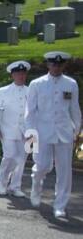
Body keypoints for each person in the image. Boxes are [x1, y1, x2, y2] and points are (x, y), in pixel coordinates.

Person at [26, 51, 81, 219]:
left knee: (65, 172)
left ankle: (60, 205)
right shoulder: (37, 84)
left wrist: (77, 131)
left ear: (64, 65)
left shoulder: (71, 83)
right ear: (48, 65)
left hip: (64, 132)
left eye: (59, 65)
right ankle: (36, 184)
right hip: (42, 132)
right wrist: (30, 137)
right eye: (53, 64)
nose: (56, 67)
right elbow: (30, 112)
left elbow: (74, 109)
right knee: (42, 166)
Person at [0, 60, 31, 197]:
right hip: (8, 128)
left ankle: (15, 186)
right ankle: (3, 183)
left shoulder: (32, 91)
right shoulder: (2, 91)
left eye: (23, 73)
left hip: (28, 130)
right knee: (9, 156)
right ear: (12, 75)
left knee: (22, 159)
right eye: (18, 74)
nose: (21, 76)